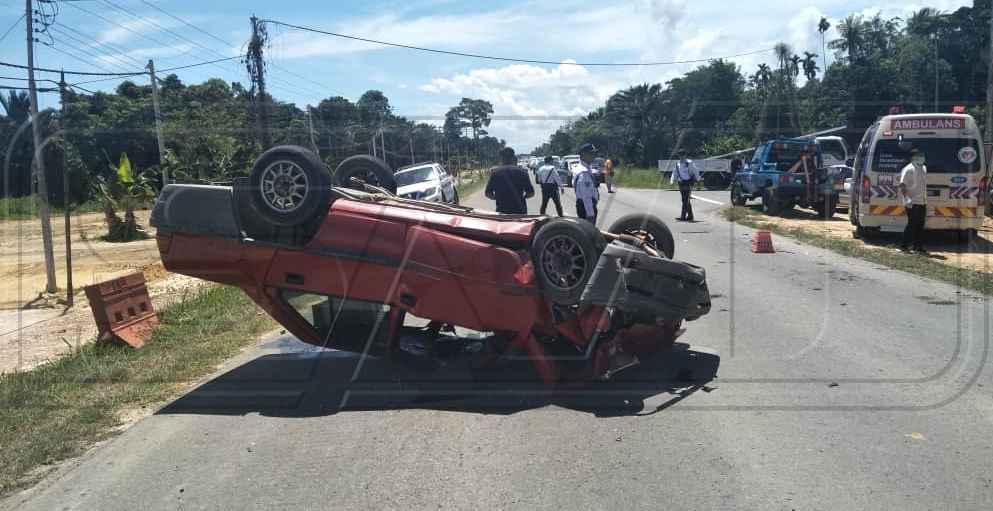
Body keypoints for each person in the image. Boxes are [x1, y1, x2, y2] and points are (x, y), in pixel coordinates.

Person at [485, 147, 534, 214]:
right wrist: (522, 197)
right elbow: (531, 193)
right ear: (513, 158)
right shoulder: (523, 172)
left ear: (501, 158)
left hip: (502, 211)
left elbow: (488, 193)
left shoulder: (495, 173)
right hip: (520, 211)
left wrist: (498, 198)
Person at [899, 147, 928, 254]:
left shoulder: (923, 168)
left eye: (922, 156)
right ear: (913, 158)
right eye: (919, 156)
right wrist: (907, 199)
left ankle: (918, 247)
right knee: (911, 224)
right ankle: (904, 246)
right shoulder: (908, 169)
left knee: (920, 225)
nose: (922, 158)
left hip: (922, 201)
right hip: (912, 202)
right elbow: (902, 185)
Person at [573, 143, 600, 223]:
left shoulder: (582, 168)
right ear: (583, 155)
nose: (594, 155)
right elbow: (586, 196)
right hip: (586, 207)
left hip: (583, 205)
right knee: (588, 233)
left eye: (594, 153)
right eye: (591, 153)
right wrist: (590, 214)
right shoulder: (583, 172)